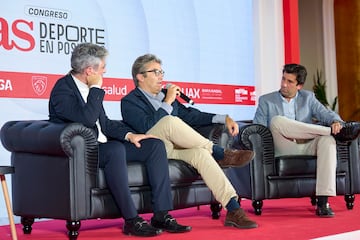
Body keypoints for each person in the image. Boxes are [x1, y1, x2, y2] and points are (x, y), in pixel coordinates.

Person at [48, 43, 191, 237]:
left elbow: (104, 124)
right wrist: (96, 88)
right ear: (90, 71)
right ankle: (131, 220)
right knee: (115, 149)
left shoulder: (88, 88)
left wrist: (130, 135)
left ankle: (161, 214)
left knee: (154, 145)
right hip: (84, 151)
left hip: (105, 146)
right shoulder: (63, 90)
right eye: (102, 67)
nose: (105, 70)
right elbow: (87, 119)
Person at [120, 54, 258, 229]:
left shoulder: (164, 95)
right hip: (152, 149)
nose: (161, 76)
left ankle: (233, 209)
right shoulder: (129, 102)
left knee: (200, 153)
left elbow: (192, 115)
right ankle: (219, 152)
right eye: (155, 72)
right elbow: (148, 126)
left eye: (161, 71)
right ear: (140, 76)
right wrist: (168, 101)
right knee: (169, 121)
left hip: (172, 149)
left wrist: (224, 118)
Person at [253, 63, 360, 217]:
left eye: (290, 82)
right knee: (277, 121)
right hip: (283, 146)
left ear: (299, 86)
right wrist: (332, 130)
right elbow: (258, 128)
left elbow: (326, 114)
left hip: (306, 144)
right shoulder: (266, 100)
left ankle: (323, 202)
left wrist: (337, 123)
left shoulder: (308, 98)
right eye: (283, 79)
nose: (284, 84)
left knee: (327, 141)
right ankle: (331, 132)